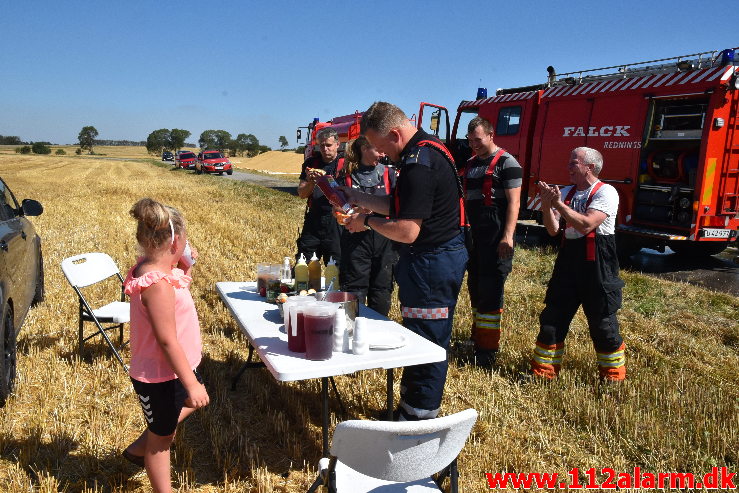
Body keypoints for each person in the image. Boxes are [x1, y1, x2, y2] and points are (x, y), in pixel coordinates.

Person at [343, 102, 468, 420]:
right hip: (435, 260)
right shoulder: (428, 150)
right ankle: (415, 408)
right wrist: (358, 199)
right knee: (424, 334)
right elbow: (399, 204)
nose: (382, 155)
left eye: (382, 146)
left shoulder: (417, 164)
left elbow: (407, 229)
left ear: (396, 133)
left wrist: (366, 222)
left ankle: (417, 418)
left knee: (426, 340)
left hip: (430, 264)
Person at [123, 198, 209, 492]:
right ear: (175, 242)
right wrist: (192, 384)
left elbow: (183, 281)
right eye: (185, 241)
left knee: (168, 422)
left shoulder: (153, 269)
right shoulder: (157, 285)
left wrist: (185, 262)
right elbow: (167, 340)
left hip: (175, 369)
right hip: (160, 376)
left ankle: (139, 446)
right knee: (162, 442)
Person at [531, 147, 626, 382]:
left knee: (603, 325)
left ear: (589, 167)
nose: (568, 167)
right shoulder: (566, 191)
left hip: (597, 266)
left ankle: (612, 379)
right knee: (552, 319)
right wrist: (546, 204)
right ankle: (543, 375)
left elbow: (586, 225)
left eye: (573, 163)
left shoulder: (607, 192)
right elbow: (553, 230)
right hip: (568, 264)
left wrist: (559, 205)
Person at [460, 116, 522, 368]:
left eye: (478, 139)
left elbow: (515, 203)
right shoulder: (471, 164)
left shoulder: (508, 163)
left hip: (496, 237)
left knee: (491, 292)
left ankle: (487, 351)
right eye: (470, 139)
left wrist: (507, 236)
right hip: (475, 237)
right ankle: (478, 339)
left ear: (491, 135)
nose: (473, 144)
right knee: (475, 288)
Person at [336, 136, 398, 316]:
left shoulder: (390, 174)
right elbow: (337, 210)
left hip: (385, 242)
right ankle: (352, 334)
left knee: (382, 290)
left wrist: (369, 213)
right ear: (364, 148)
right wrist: (346, 216)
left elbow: (399, 208)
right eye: (378, 150)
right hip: (355, 242)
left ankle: (378, 334)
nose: (383, 153)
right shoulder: (346, 177)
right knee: (354, 290)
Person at [296, 127, 344, 264]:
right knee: (303, 262)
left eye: (328, 145)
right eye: (321, 145)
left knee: (336, 265)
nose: (325, 149)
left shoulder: (345, 165)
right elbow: (302, 194)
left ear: (337, 144)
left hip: (337, 220)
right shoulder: (311, 164)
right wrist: (311, 182)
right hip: (314, 219)